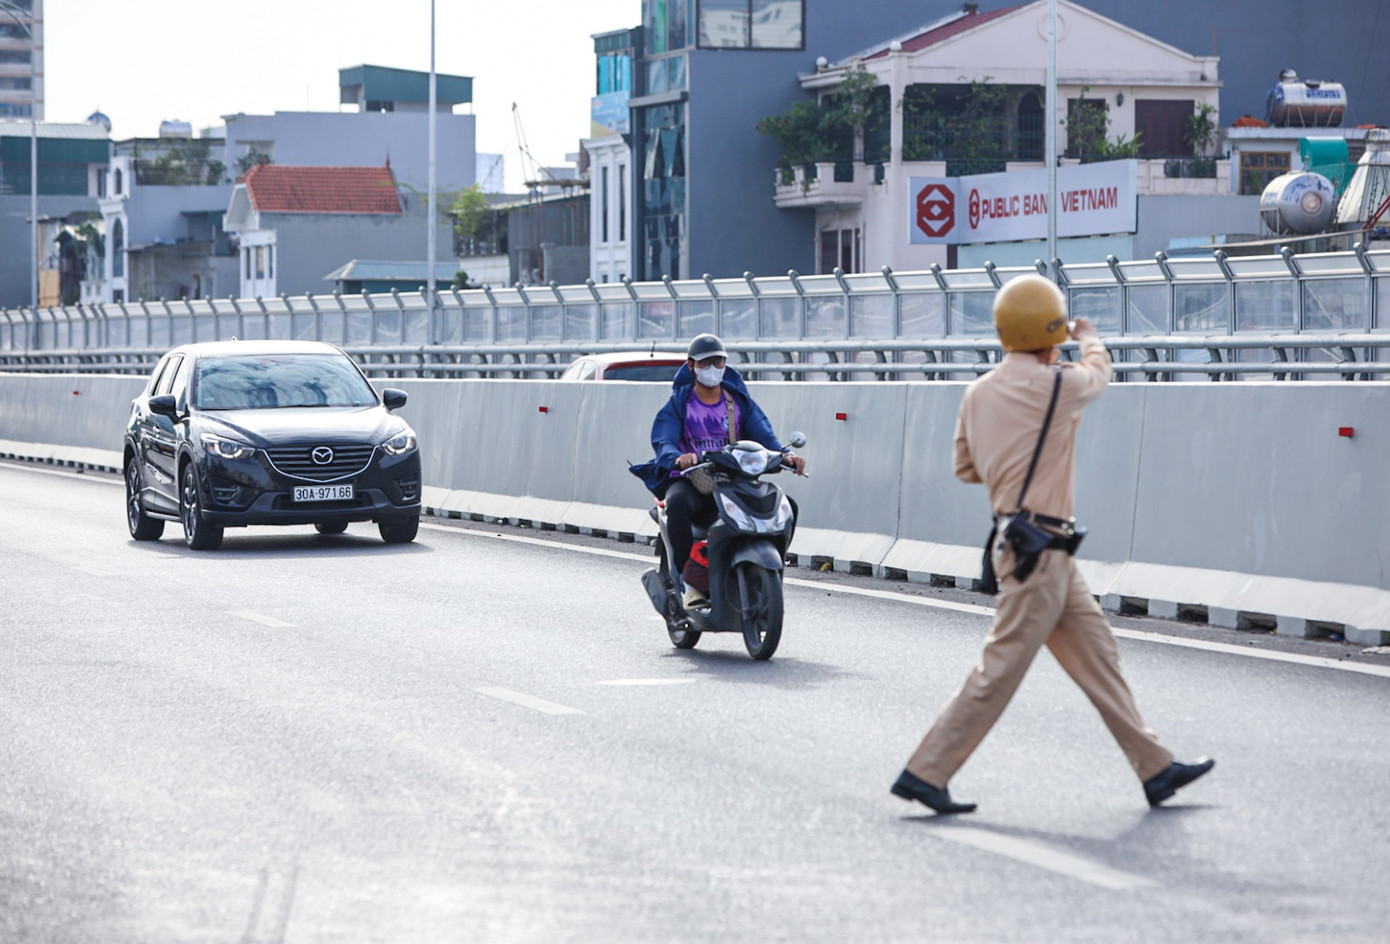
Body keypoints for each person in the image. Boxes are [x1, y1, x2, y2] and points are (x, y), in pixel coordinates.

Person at [891, 274, 1213, 814]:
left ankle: (1154, 766)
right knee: (999, 670)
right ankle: (925, 772)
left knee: (1099, 657)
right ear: (1050, 331)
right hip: (1042, 553)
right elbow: (1099, 374)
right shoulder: (1057, 384)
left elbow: (966, 468)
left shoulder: (978, 392)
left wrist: (1011, 467)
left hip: (1035, 547)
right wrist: (1088, 337)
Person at [631, 333, 806, 607]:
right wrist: (678, 457)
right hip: (693, 482)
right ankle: (687, 582)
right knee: (676, 504)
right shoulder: (680, 404)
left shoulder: (737, 401)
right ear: (691, 366)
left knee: (787, 506)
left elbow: (765, 435)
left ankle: (770, 569)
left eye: (719, 361)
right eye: (706, 363)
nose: (713, 368)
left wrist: (786, 455)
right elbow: (663, 439)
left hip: (733, 480)